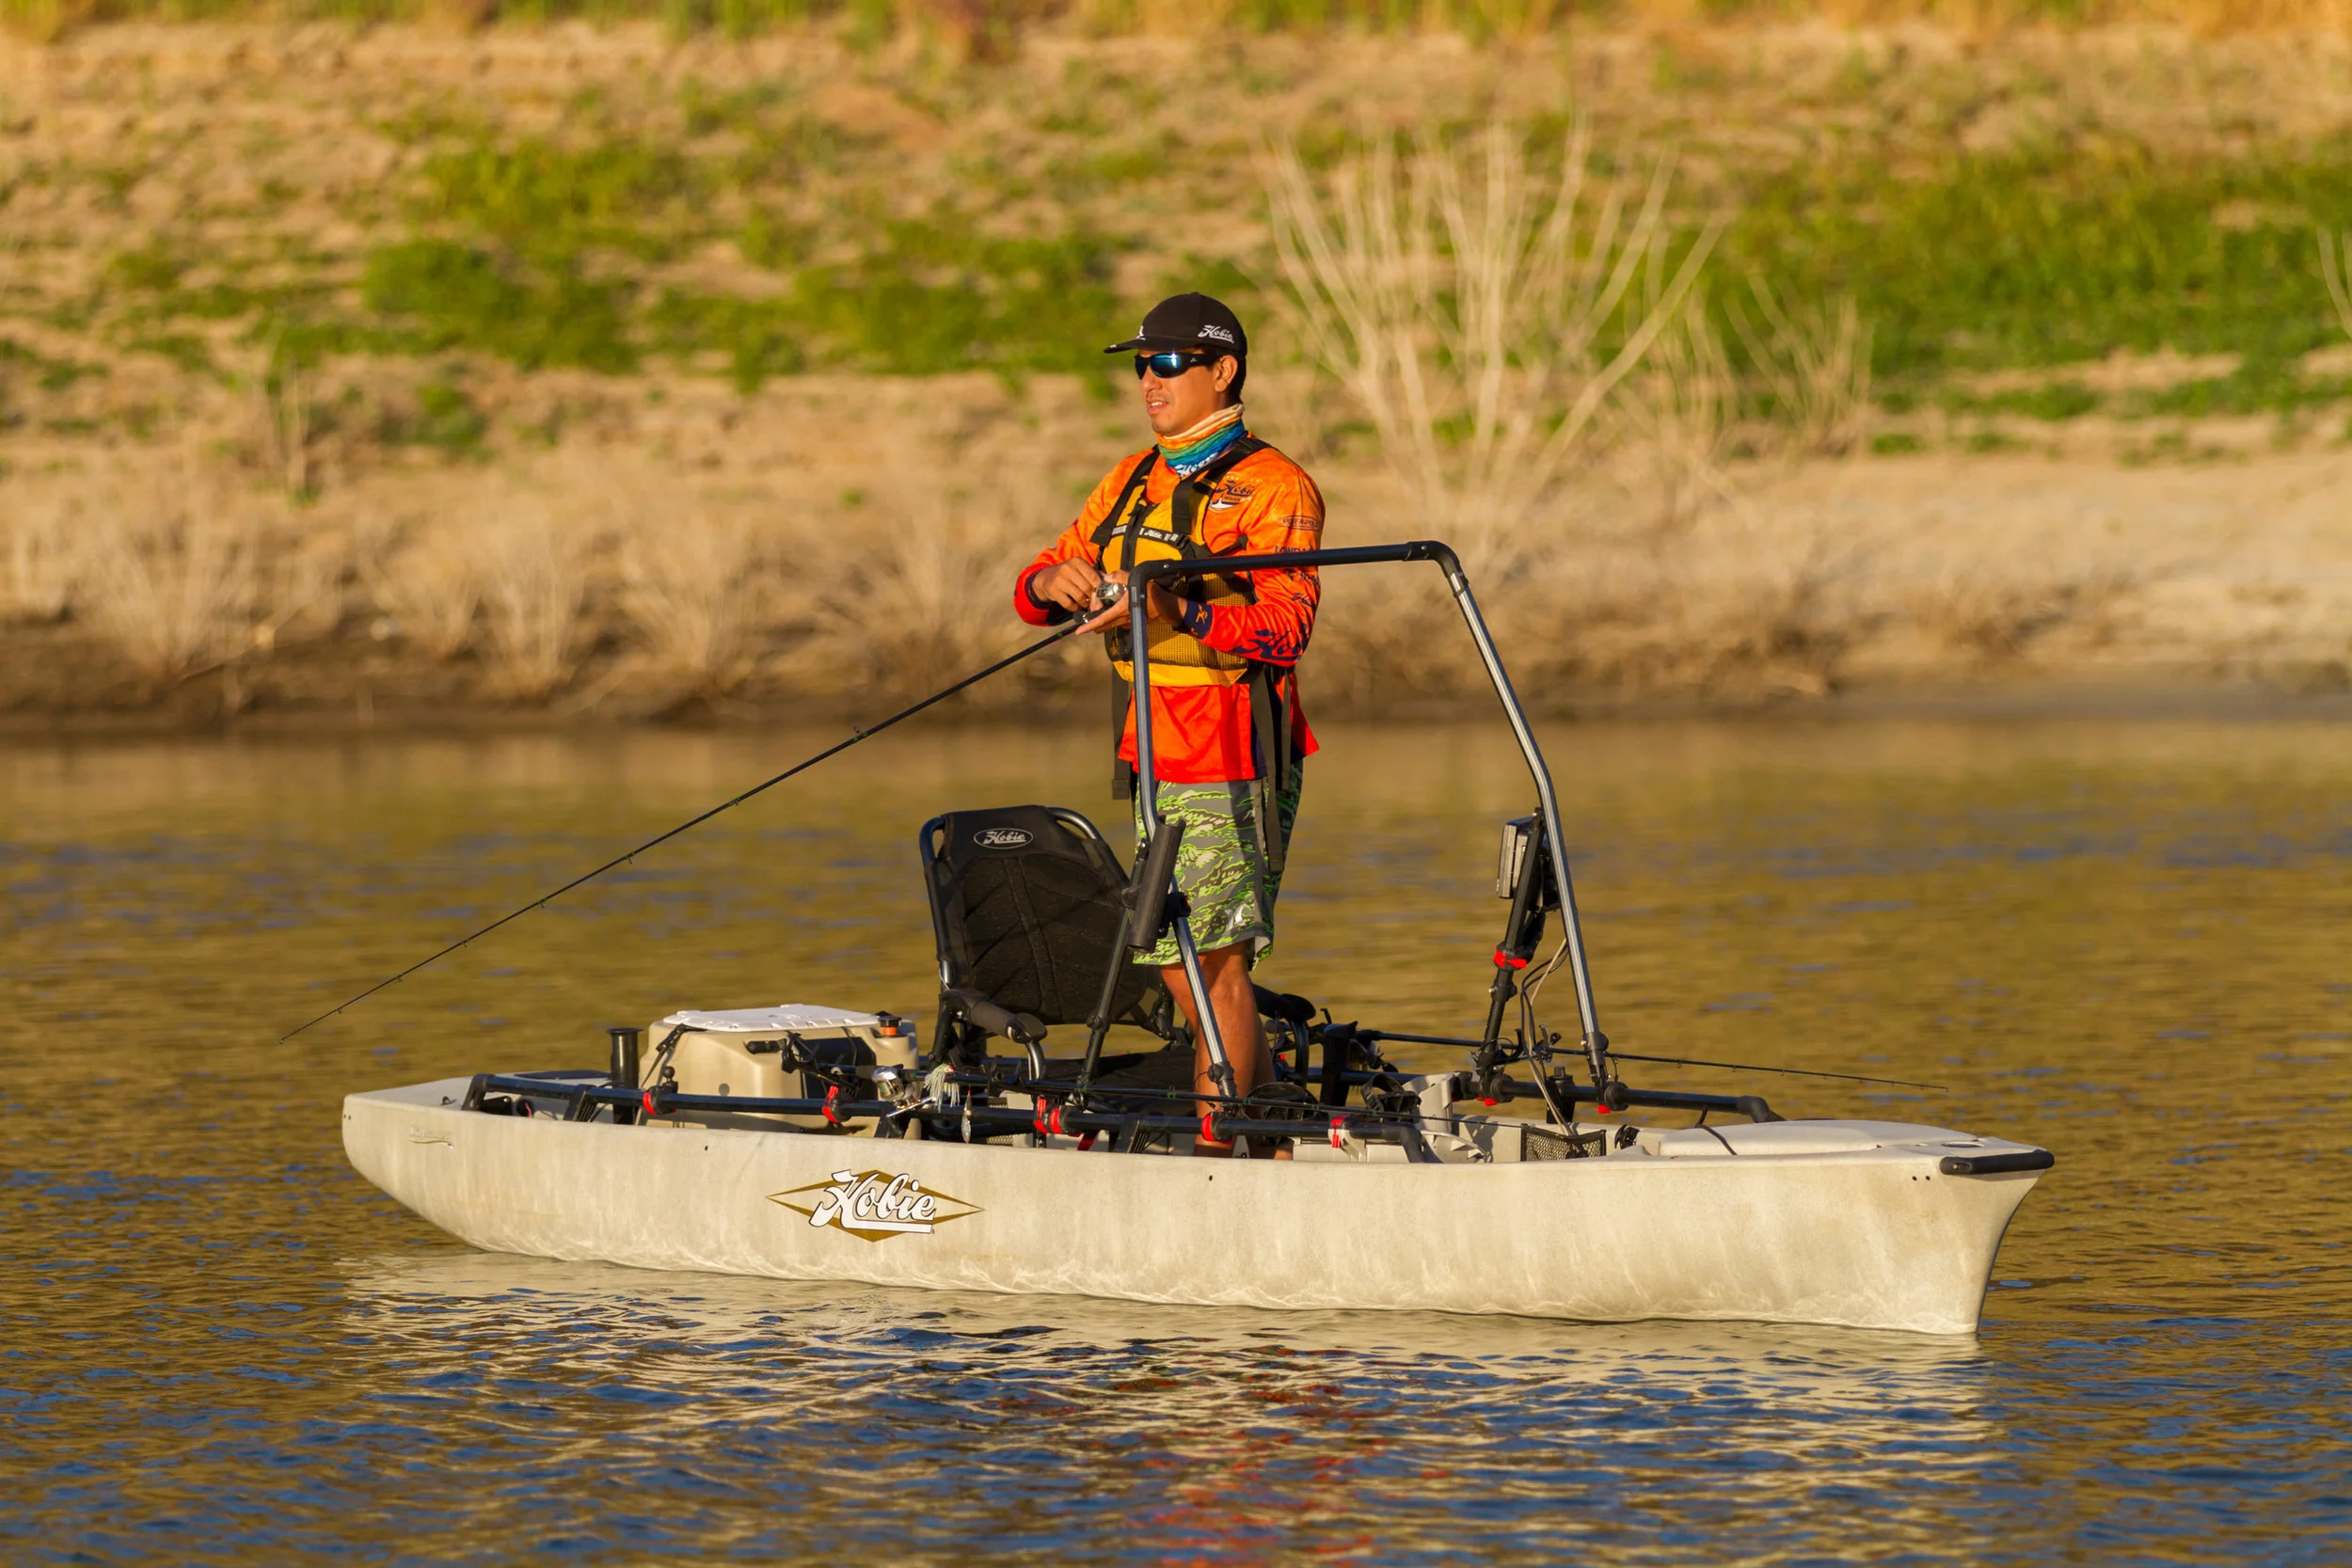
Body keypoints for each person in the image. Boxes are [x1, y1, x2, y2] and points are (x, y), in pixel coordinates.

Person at [1011, 293, 1323, 1159]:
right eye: (1143, 365)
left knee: (1210, 958)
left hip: (1233, 747)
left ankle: (1219, 1157)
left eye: (1171, 363)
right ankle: (1269, 1123)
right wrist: (1053, 583)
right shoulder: (1129, 476)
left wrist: (1173, 606)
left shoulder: (1278, 485)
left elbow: (1288, 627)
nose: (1151, 379)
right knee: (1174, 952)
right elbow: (1037, 580)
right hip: (1150, 749)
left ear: (1223, 371)